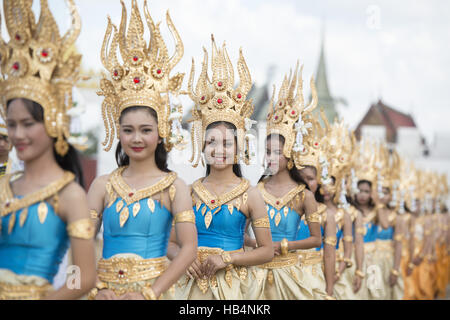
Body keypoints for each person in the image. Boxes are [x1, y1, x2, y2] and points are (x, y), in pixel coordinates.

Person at [87, 0, 197, 300]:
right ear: (118, 132)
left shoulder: (175, 187)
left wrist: (150, 293)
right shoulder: (102, 185)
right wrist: (96, 288)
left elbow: (188, 249)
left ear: (161, 133)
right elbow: (80, 245)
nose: (137, 138)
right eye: (128, 130)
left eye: (146, 130)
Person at [0, 0, 96, 299]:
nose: (18, 135)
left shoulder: (70, 195)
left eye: (28, 124)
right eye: (11, 124)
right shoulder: (6, 185)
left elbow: (83, 277)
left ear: (53, 121)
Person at [172, 36, 273, 300]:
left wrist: (226, 258)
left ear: (239, 147)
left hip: (233, 288)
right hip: (188, 286)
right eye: (211, 143)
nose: (219, 150)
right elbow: (170, 243)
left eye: (227, 143)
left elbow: (266, 251)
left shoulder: (250, 194)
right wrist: (185, 258)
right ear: (201, 147)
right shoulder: (188, 192)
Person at [245, 63, 322, 300]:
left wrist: (285, 246)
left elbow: (316, 238)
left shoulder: (303, 195)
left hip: (290, 274)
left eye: (276, 152)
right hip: (256, 273)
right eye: (267, 151)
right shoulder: (254, 191)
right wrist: (258, 245)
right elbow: (241, 233)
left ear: (289, 155)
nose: (270, 157)